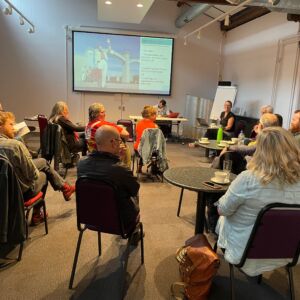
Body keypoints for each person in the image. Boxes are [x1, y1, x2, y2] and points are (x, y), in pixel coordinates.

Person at [216, 127, 300, 276]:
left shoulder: (248, 179)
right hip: (288, 251)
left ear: (260, 150)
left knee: (220, 214)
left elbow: (223, 210)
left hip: (245, 251)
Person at [0, 111, 75, 224]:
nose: (14, 128)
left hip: (3, 193)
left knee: (43, 163)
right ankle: (38, 213)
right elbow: (33, 175)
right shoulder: (15, 146)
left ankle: (64, 187)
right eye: (10, 124)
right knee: (44, 174)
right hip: (18, 193)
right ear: (1, 126)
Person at [78, 125, 140, 230]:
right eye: (120, 140)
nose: (120, 143)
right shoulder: (120, 169)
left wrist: (117, 159)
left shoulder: (81, 163)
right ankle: (134, 231)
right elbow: (134, 190)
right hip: (119, 222)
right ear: (113, 142)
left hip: (90, 219)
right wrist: (120, 161)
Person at [85, 103, 131, 168]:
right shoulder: (103, 124)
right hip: (105, 152)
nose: (105, 114)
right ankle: (125, 170)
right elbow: (126, 134)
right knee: (125, 148)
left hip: (93, 151)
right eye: (102, 112)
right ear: (96, 114)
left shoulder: (88, 125)